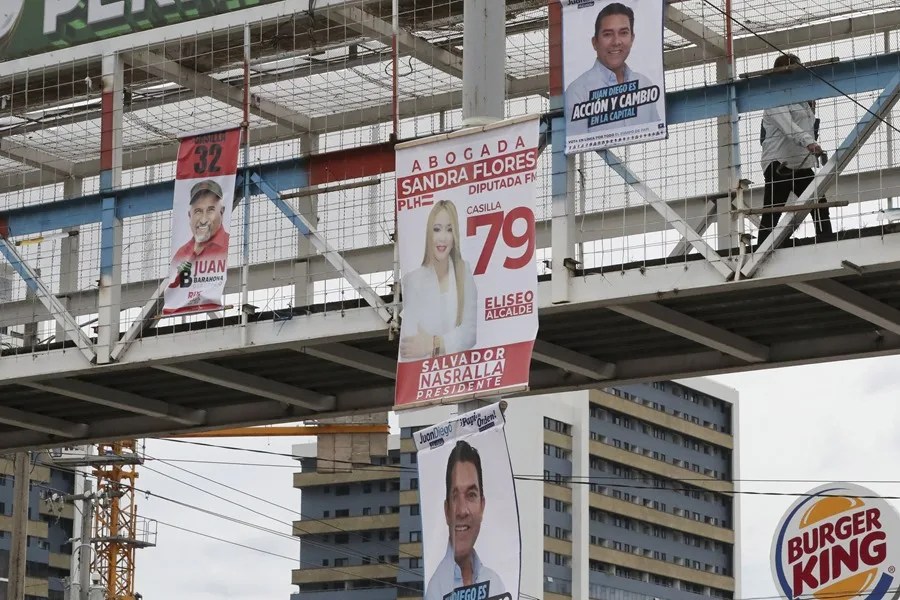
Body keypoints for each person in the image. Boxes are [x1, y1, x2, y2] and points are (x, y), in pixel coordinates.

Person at [758, 54, 833, 246]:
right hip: (779, 164)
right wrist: (810, 143)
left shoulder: (802, 100)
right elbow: (789, 126)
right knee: (773, 210)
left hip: (800, 164)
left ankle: (827, 241)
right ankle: (762, 247)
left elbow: (806, 127)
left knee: (819, 203)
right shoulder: (774, 98)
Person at [424, 441, 505, 600]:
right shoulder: (436, 590)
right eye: (455, 497)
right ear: (446, 511)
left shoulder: (495, 584)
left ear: (482, 506)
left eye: (471, 495)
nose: (462, 510)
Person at [565, 2, 661, 136]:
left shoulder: (645, 85)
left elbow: (656, 136)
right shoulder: (578, 92)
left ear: (632, 38)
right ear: (595, 42)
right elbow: (575, 142)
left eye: (623, 33)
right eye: (608, 34)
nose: (616, 42)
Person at [400, 200, 477, 360]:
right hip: (425, 370)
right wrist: (448, 341)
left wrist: (433, 343)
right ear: (429, 234)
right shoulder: (412, 281)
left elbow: (469, 333)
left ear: (455, 236)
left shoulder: (463, 271)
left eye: (449, 229)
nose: (442, 238)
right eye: (436, 229)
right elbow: (410, 344)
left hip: (460, 369)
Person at [167, 179, 230, 290]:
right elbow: (173, 289)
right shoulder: (181, 253)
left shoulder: (230, 244)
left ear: (222, 211)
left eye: (210, 210)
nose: (203, 220)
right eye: (198, 211)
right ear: (189, 215)